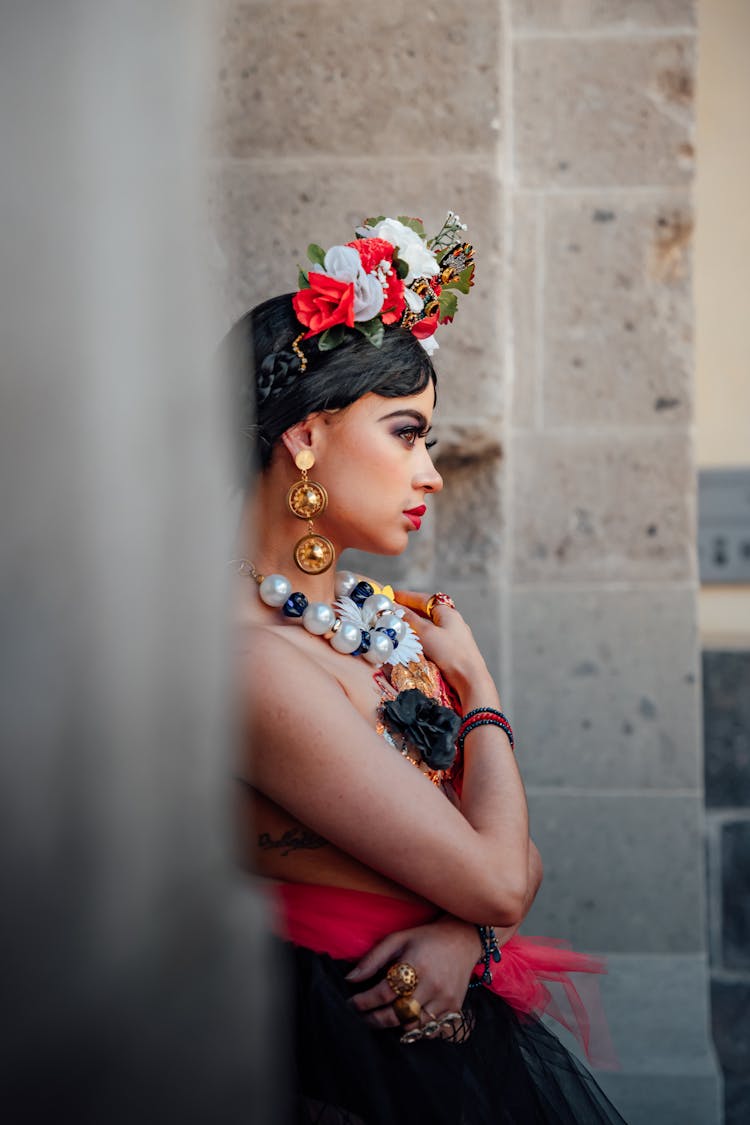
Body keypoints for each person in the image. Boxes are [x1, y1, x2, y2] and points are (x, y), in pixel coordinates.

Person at [228, 213, 626, 1123]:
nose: (430, 473)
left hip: (446, 1036)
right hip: (332, 1050)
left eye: (430, 442)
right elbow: (496, 876)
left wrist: (466, 935)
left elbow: (514, 861)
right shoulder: (250, 663)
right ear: (307, 436)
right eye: (406, 434)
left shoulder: (375, 624)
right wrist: (480, 692)